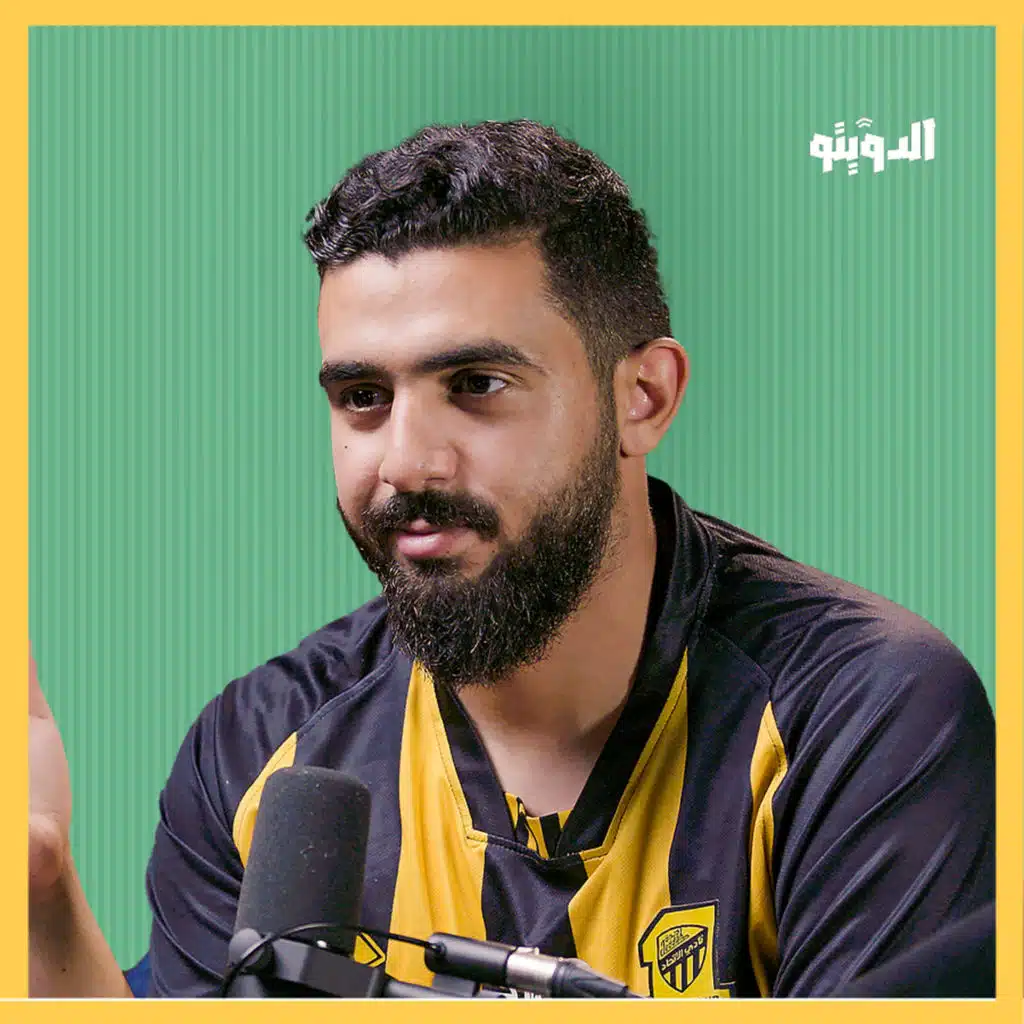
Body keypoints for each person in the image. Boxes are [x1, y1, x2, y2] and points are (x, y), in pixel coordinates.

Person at [28, 119, 994, 999]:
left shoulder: (861, 714)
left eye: (478, 383)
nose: (406, 462)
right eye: (363, 397)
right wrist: (42, 895)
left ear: (644, 397)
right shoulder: (262, 755)